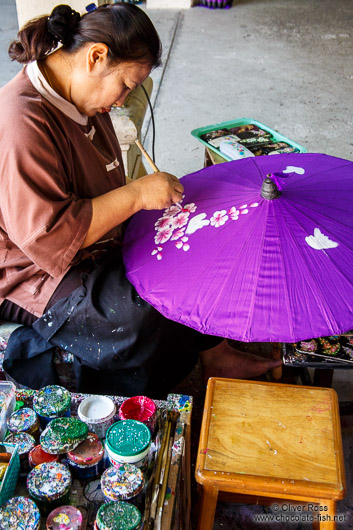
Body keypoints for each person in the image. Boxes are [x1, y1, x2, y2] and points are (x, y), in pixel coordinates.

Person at [0, 3, 281, 397]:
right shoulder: (20, 120)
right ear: (96, 56)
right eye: (126, 85)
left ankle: (215, 356)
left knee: (187, 247)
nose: (121, 101)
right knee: (139, 318)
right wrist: (135, 195)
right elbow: (47, 239)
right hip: (32, 273)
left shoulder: (82, 97)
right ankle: (42, 356)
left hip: (92, 243)